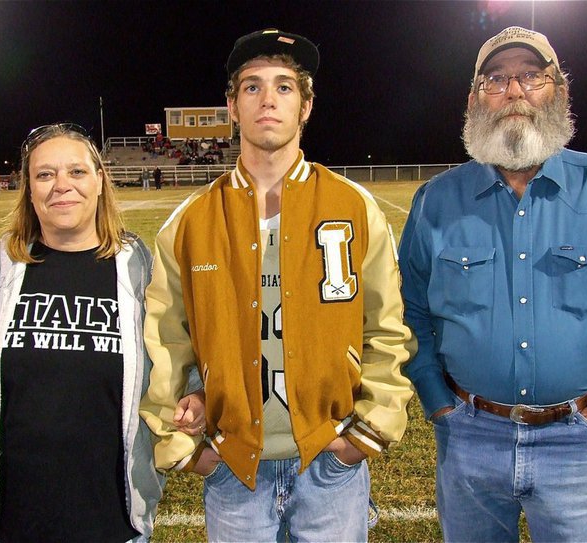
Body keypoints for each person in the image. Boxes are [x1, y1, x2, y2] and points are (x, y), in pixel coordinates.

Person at [398, 26, 587, 542]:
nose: (513, 91)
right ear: (474, 99)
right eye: (495, 79)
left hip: (577, 443)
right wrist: (436, 401)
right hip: (468, 437)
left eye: (531, 76)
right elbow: (409, 311)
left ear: (559, 90)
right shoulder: (436, 200)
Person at [140, 28, 416, 542]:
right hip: (233, 468)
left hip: (330, 463)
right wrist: (188, 450)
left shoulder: (355, 208)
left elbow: (387, 327)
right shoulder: (190, 222)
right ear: (232, 105)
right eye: (252, 86)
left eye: (285, 87)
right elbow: (165, 341)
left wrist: (370, 428)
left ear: (306, 106)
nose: (268, 99)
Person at [0, 123, 205, 543]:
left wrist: (196, 394)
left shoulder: (141, 270)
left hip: (115, 525)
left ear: (100, 181)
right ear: (29, 190)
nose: (61, 186)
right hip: (9, 527)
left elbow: (184, 353)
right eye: (45, 174)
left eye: (76, 172)